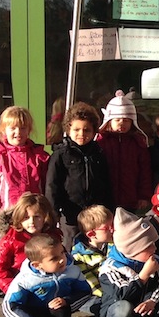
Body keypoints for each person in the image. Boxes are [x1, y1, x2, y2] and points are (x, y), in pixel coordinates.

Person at [45, 101, 114, 251]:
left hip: (96, 213)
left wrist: (109, 209)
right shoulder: (60, 154)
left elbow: (106, 181)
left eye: (86, 130)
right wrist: (53, 213)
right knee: (71, 248)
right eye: (76, 129)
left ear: (94, 131)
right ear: (68, 129)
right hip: (71, 213)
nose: (81, 134)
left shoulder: (99, 153)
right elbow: (52, 185)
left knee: (97, 247)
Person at [0, 106, 50, 230]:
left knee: (35, 248)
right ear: (3, 130)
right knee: (7, 247)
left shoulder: (39, 156)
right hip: (8, 215)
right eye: (13, 128)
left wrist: (49, 209)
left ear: (29, 130)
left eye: (23, 128)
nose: (18, 132)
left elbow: (48, 184)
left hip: (34, 217)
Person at [0, 193, 63, 298]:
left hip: (50, 286)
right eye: (26, 217)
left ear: (45, 217)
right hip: (22, 288)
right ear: (19, 218)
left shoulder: (53, 236)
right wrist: (12, 289)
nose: (31, 222)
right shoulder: (11, 239)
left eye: (37, 217)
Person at [97, 90, 152, 213]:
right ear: (109, 121)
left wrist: (143, 195)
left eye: (126, 120)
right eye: (117, 120)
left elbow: (145, 172)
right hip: (105, 200)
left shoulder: (138, 144)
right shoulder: (101, 143)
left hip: (131, 200)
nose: (122, 124)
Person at [71, 204, 114, 301]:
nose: (112, 230)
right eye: (107, 228)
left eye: (113, 225)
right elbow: (90, 281)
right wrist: (105, 296)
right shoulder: (79, 256)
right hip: (99, 296)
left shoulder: (114, 244)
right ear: (91, 234)